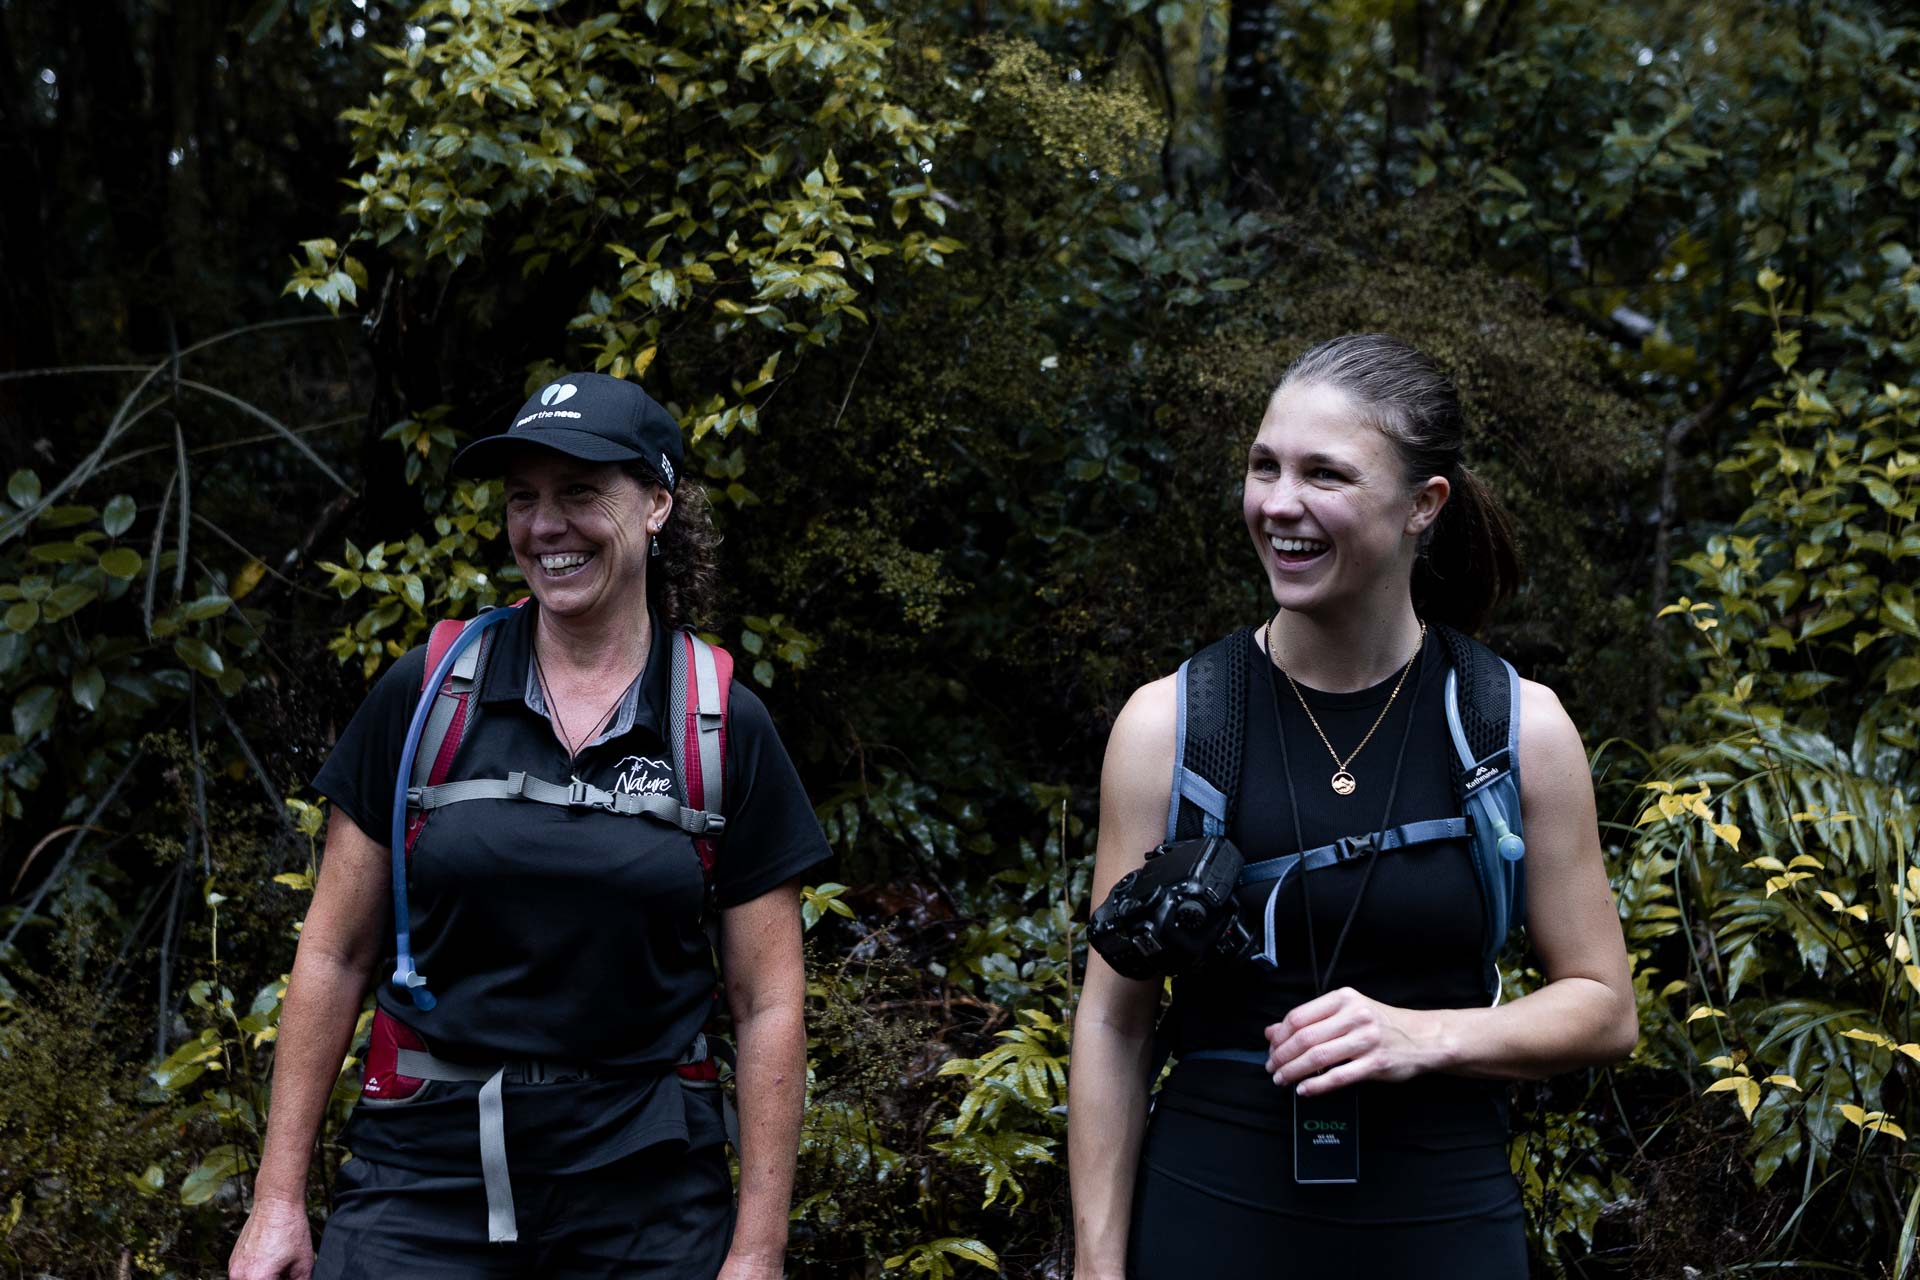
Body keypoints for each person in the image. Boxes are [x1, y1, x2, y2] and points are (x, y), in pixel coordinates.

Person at [230, 373, 831, 1280]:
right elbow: (333, 953)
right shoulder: (431, 692)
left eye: (580, 493)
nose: (546, 526)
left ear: (658, 504)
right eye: (524, 499)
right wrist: (276, 1202)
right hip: (421, 1180)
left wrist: (757, 1250)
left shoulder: (717, 723)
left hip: (646, 1194)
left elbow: (768, 1002)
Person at [1066, 334, 1637, 1276]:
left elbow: (1604, 1008)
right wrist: (1096, 1264)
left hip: (1444, 1222)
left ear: (1424, 505)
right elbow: (1114, 1023)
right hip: (1209, 1218)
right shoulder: (1172, 727)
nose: (1278, 505)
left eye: (1324, 474)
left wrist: (1426, 1034)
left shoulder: (1511, 728)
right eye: (1264, 466)